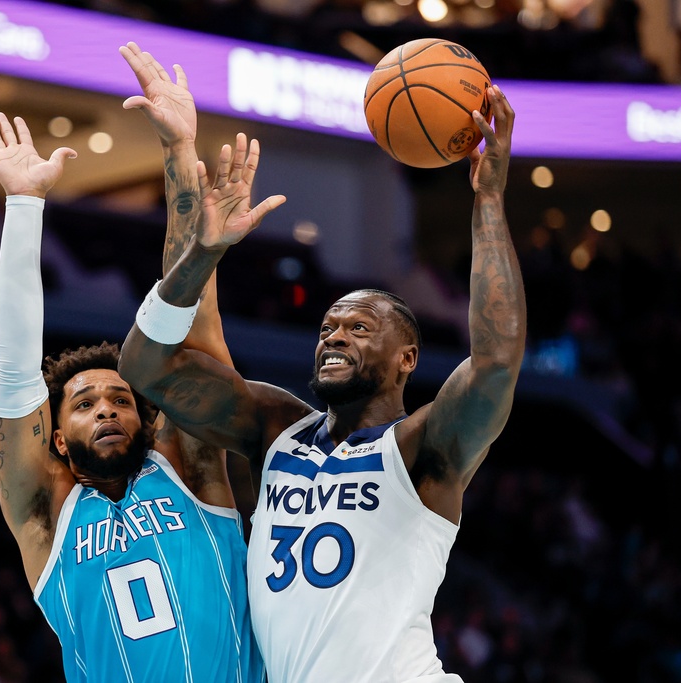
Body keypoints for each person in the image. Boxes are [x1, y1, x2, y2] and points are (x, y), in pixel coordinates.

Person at [118, 85, 523, 682]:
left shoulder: (422, 448)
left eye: (359, 327)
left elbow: (495, 361)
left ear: (407, 357)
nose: (334, 336)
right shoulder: (276, 428)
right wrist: (203, 254)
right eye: (328, 326)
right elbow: (145, 367)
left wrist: (488, 198)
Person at [0, 42, 274, 682]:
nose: (108, 407)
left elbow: (189, 337)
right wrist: (25, 207)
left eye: (120, 399)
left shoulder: (190, 472)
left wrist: (179, 153)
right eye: (84, 404)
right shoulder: (45, 514)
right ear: (56, 437)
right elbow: (16, 372)